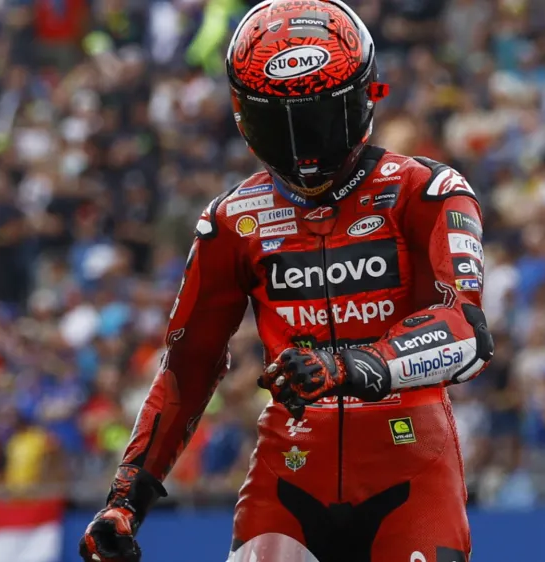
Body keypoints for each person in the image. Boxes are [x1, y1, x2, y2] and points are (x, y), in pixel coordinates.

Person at [78, 1, 494, 561]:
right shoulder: (230, 219)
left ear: (365, 95)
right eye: (281, 123)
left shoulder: (428, 191)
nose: (305, 150)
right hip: (290, 476)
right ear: (245, 116)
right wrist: (125, 496)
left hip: (412, 472)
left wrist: (350, 367)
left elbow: (468, 334)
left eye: (321, 120)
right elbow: (189, 363)